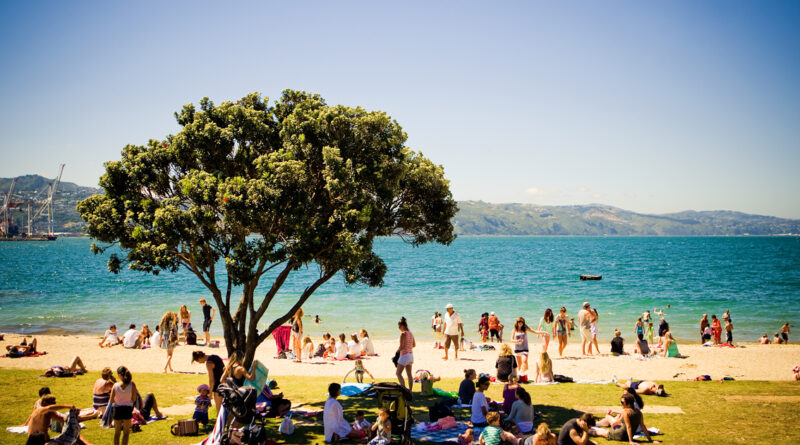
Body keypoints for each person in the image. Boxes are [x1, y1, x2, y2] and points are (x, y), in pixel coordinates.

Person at [111, 366, 136, 445]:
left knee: (117, 433)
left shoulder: (115, 385)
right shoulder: (132, 384)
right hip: (127, 409)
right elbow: (134, 398)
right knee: (126, 433)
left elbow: (111, 400)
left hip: (117, 409)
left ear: (119, 375)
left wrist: (118, 400)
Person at [395, 317, 416, 392]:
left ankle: (403, 390)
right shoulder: (410, 333)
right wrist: (408, 346)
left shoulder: (403, 334)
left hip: (404, 355)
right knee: (409, 375)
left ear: (402, 326)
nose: (399, 328)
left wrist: (396, 352)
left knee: (398, 373)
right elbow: (414, 345)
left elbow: (401, 346)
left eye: (399, 326)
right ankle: (410, 391)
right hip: (410, 355)